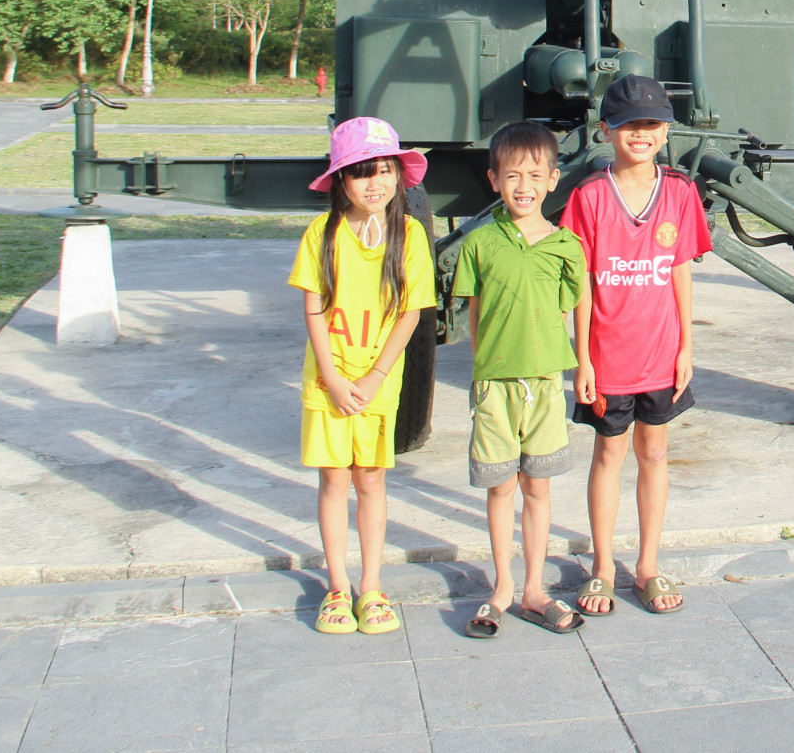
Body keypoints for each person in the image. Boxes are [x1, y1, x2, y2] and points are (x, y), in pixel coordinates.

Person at [563, 74, 712, 616]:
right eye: (628, 125)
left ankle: (647, 564)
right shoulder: (588, 199)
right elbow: (580, 285)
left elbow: (679, 274)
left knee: (655, 454)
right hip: (607, 361)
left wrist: (686, 348)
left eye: (651, 124)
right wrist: (580, 358)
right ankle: (603, 566)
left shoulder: (679, 193)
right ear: (607, 131)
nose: (640, 133)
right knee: (609, 455)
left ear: (666, 130)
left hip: (660, 357)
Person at [288, 115, 436, 637]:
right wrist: (331, 377)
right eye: (360, 173)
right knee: (333, 480)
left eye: (384, 170)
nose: (374, 183)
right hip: (328, 382)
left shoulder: (411, 235)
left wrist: (375, 376)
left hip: (378, 384)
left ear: (399, 175)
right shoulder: (321, 235)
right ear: (340, 182)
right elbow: (312, 311)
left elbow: (411, 314)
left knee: (370, 480)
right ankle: (335, 585)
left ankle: (371, 586)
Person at [450, 121, 588, 638]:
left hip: (546, 383)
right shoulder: (480, 243)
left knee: (537, 487)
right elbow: (476, 310)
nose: (523, 185)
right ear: (494, 180)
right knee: (500, 486)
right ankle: (502, 588)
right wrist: (484, 366)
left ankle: (534, 588)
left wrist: (584, 367)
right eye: (512, 175)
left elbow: (577, 308)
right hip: (495, 386)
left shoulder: (565, 247)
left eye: (535, 174)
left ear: (554, 180)